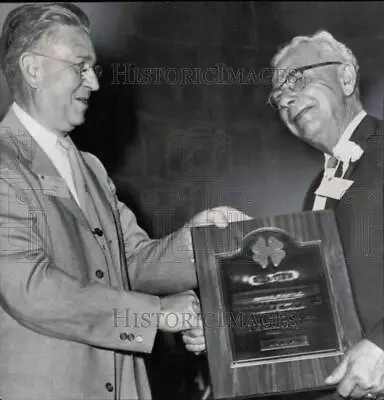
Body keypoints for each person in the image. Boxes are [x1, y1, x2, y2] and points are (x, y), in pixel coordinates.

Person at [0, 3, 250, 400]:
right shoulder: (4, 162)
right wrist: (155, 314)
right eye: (80, 67)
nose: (94, 84)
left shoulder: (90, 168)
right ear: (33, 69)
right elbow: (31, 290)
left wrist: (196, 241)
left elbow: (128, 264)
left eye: (92, 69)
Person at [269, 30, 384, 399]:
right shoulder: (318, 186)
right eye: (278, 97)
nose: (286, 98)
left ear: (346, 78)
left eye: (297, 79)